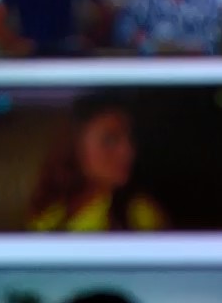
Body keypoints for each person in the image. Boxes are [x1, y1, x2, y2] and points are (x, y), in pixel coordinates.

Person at [26, 92, 167, 232]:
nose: (128, 152)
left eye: (130, 138)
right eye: (110, 139)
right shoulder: (51, 210)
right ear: (75, 146)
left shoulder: (138, 216)